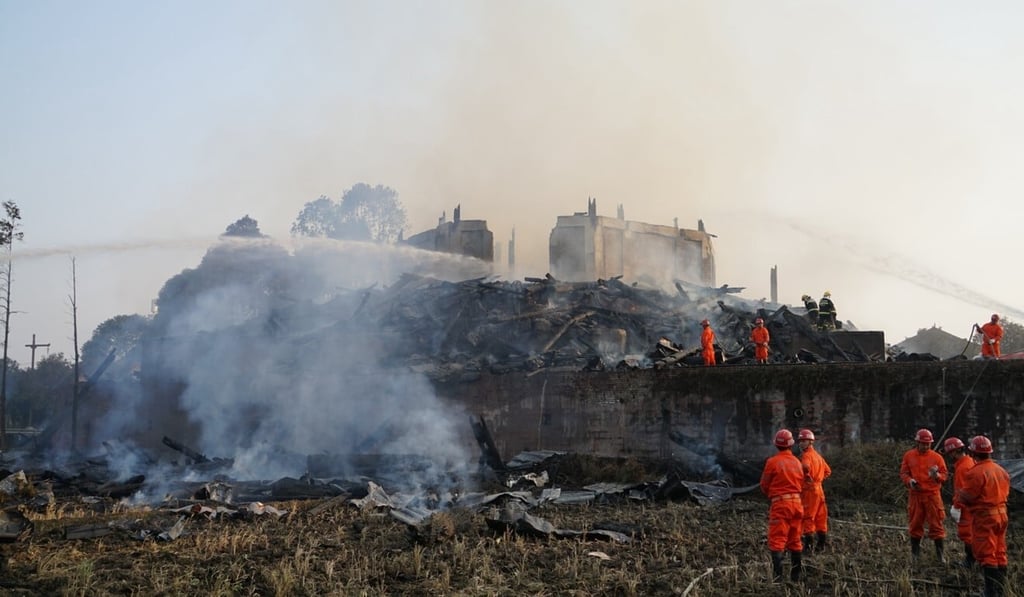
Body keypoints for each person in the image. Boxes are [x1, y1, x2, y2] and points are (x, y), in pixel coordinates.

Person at [957, 435, 1010, 596]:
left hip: (985, 518)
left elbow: (968, 496)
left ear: (973, 453)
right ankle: (1001, 589)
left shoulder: (975, 473)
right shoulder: (1001, 470)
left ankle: (990, 592)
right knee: (1000, 551)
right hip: (1002, 515)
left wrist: (959, 496)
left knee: (987, 553)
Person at [760, 429, 805, 583]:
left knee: (777, 540)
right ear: (791, 445)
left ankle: (778, 579)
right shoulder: (797, 462)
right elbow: (802, 483)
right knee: (795, 539)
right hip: (797, 504)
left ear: (776, 445)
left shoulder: (772, 462)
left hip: (781, 504)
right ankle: (796, 577)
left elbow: (764, 485)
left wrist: (773, 495)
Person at [899, 428, 948, 562]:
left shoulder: (937, 457)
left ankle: (940, 556)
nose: (926, 446)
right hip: (915, 495)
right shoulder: (909, 456)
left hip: (932, 496)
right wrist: (910, 481)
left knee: (936, 525)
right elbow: (904, 473)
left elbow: (945, 475)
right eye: (923, 444)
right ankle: (915, 555)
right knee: (915, 524)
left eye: (928, 444)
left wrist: (937, 476)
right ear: (917, 443)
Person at [943, 437, 975, 568]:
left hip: (966, 507)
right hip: (971, 506)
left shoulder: (963, 467)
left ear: (953, 452)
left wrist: (956, 507)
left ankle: (970, 561)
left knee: (967, 534)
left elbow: (962, 492)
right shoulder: (970, 462)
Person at [797, 429, 831, 553]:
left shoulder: (806, 456)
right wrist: (818, 479)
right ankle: (821, 545)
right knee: (821, 516)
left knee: (808, 517)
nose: (801, 443)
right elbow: (828, 471)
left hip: (810, 490)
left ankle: (808, 546)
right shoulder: (818, 456)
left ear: (811, 442)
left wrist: (807, 476)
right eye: (800, 441)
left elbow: (805, 466)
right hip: (819, 489)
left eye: (804, 441)